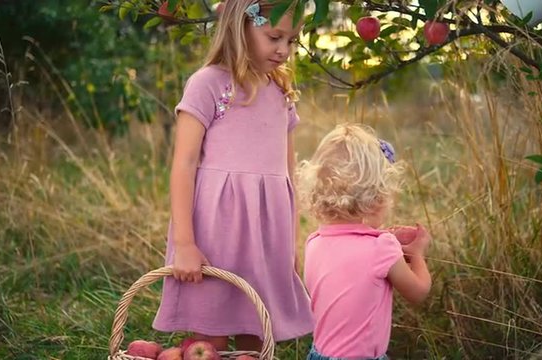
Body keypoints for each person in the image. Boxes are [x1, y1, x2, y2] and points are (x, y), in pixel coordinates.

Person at [152, 0, 314, 352]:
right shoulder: (208, 84)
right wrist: (185, 243)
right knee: (208, 336)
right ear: (242, 27)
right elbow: (184, 163)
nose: (284, 50)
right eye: (274, 37)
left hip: (266, 233)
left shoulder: (282, 94)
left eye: (292, 40)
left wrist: (292, 242)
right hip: (215, 233)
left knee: (256, 331)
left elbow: (287, 175)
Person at [298, 123, 432, 360]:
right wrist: (418, 253)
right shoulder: (382, 248)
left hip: (319, 355)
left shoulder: (314, 242)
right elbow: (419, 292)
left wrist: (384, 238)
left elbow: (351, 267)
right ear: (377, 197)